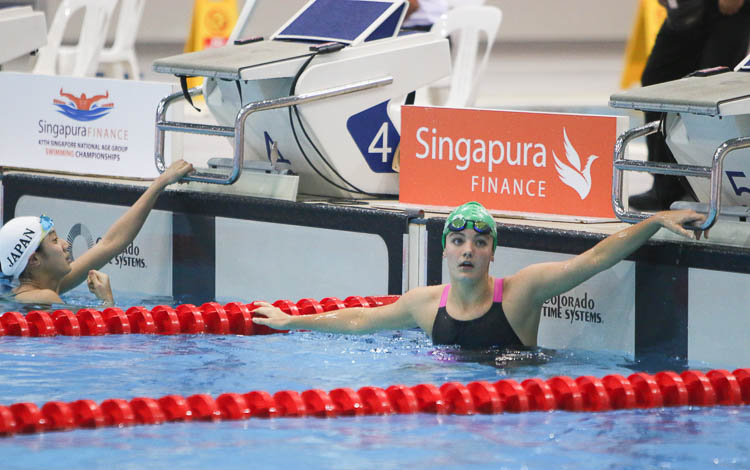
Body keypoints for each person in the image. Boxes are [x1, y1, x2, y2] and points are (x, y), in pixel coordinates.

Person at [252, 201, 707, 349]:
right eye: (458, 241)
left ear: (492, 253)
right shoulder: (425, 304)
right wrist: (292, 321)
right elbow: (357, 320)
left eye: (480, 242)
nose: (468, 250)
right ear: (446, 249)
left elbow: (592, 260)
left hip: (516, 411)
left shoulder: (521, 293)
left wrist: (650, 222)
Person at [0, 159, 195, 306]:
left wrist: (160, 183)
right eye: (54, 241)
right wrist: (107, 302)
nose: (65, 244)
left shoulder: (46, 285)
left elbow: (110, 244)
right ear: (34, 260)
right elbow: (91, 334)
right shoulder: (43, 298)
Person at [629, 0, 750, 211]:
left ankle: (715, 187)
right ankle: (666, 184)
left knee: (713, 89)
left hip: (726, 10)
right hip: (686, 8)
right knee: (658, 79)